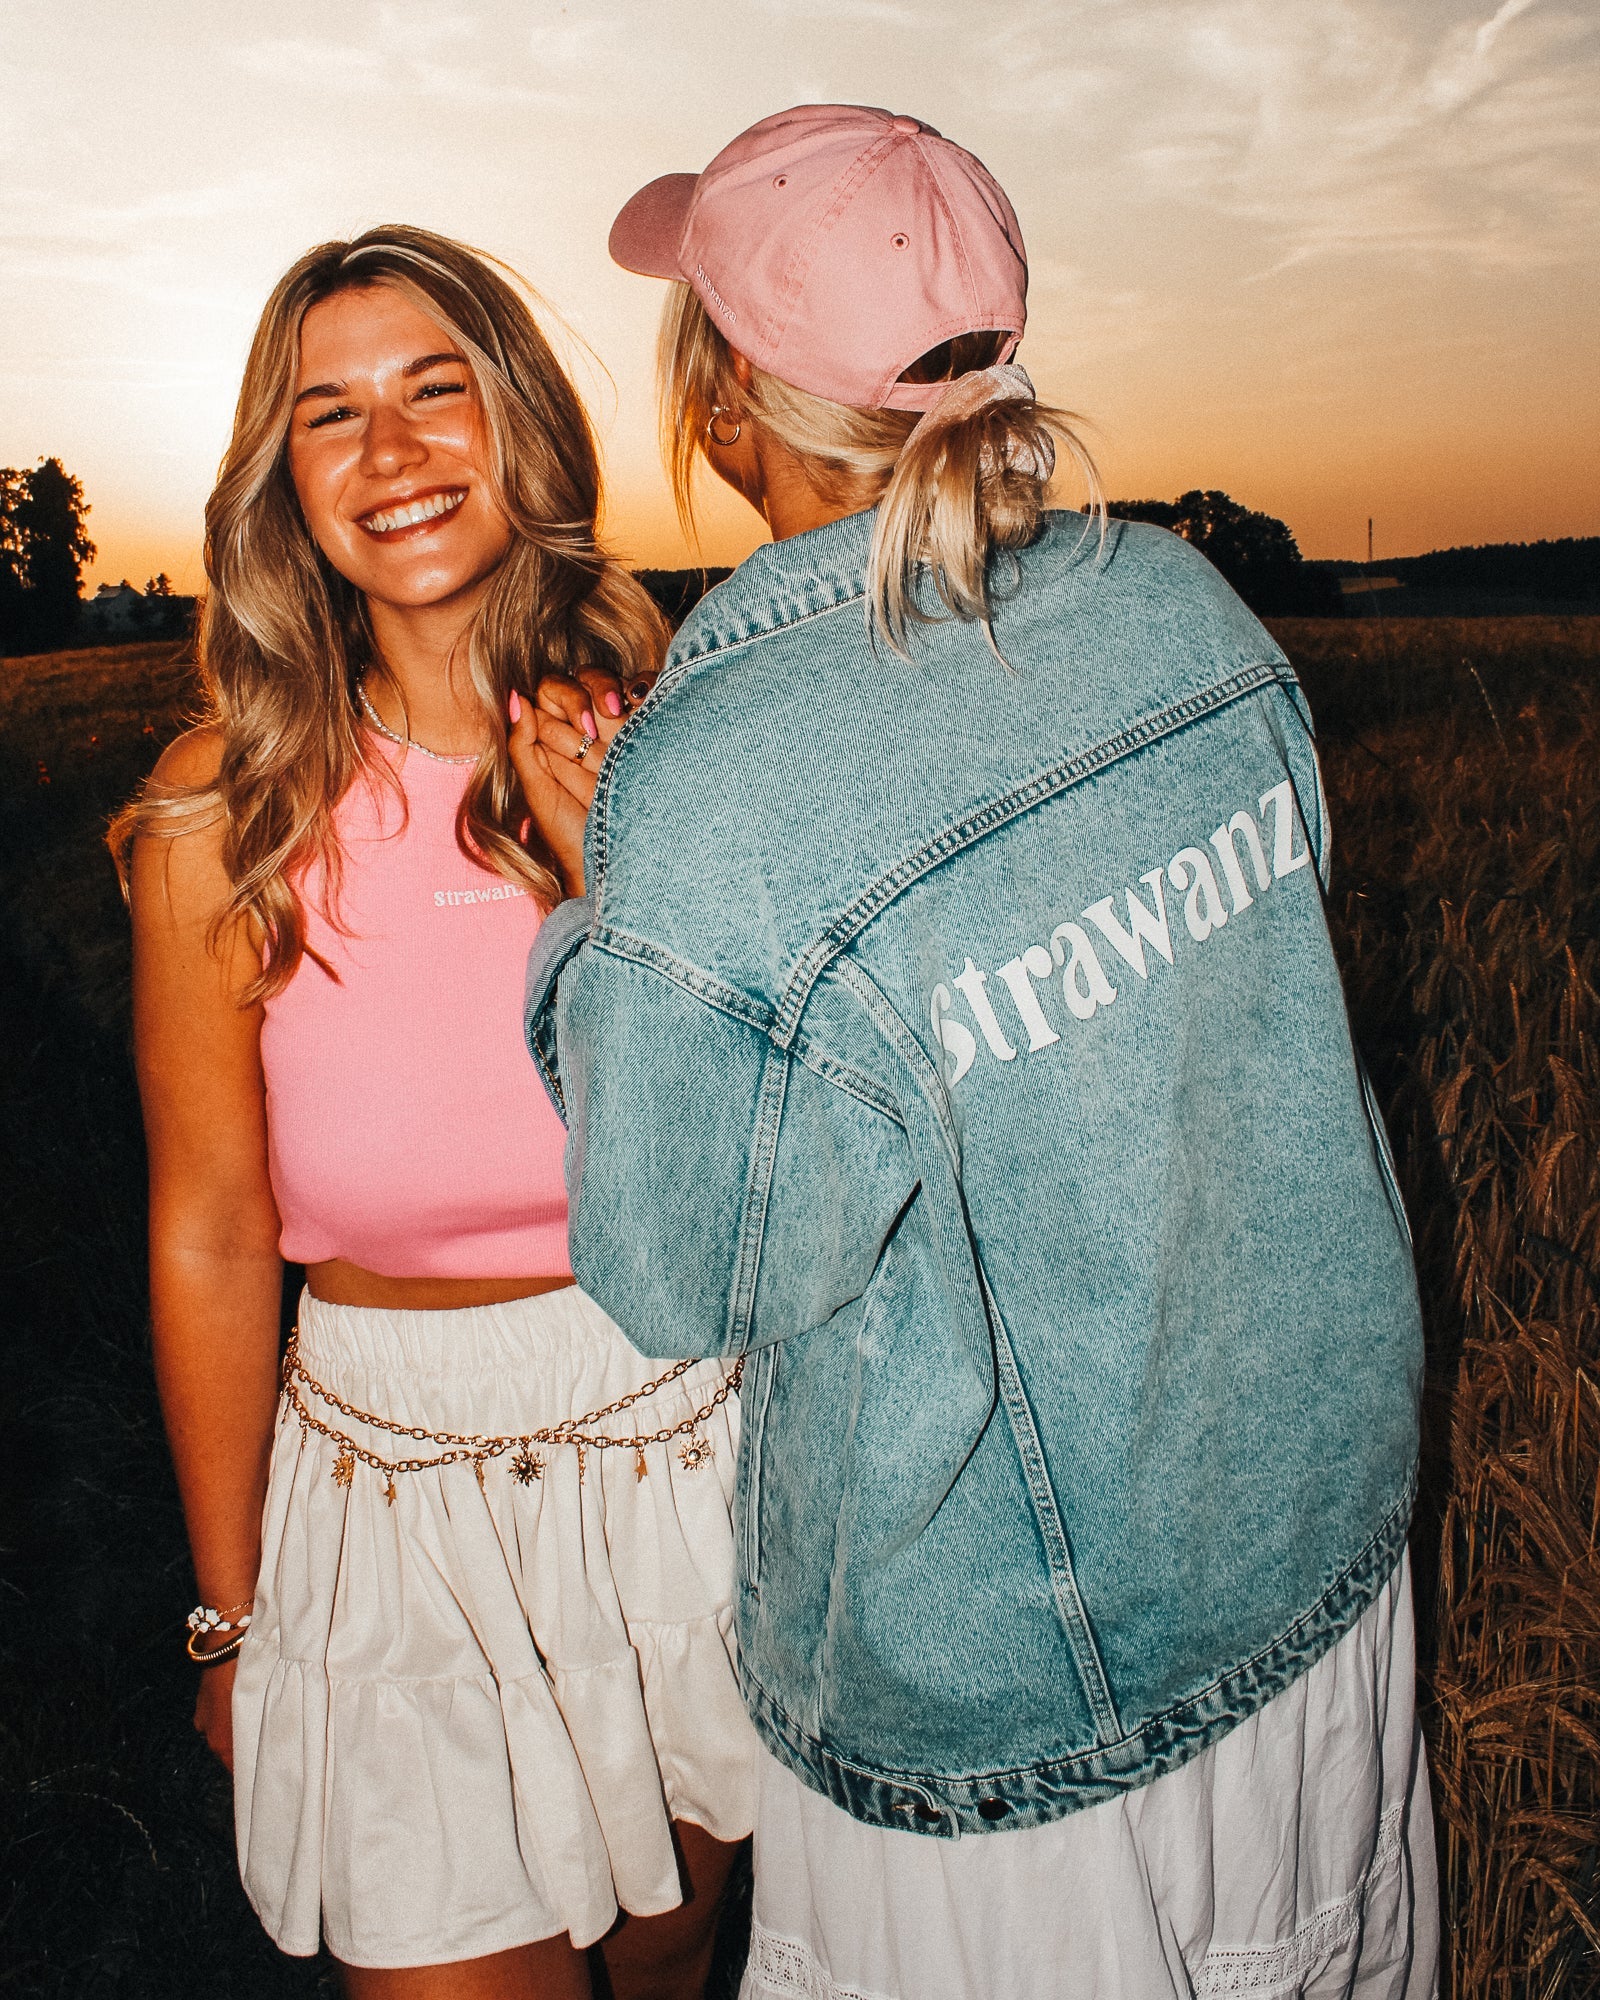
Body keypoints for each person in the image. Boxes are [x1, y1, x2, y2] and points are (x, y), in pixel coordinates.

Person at [513, 106, 1439, 2000]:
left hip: (1020, 1709)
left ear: (726, 399)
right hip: (1326, 1581)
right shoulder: (1189, 612)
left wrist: (593, 913)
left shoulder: (720, 779)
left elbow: (682, 1271)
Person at [113, 225, 755, 1999]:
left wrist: (603, 887)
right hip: (382, 1498)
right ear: (284, 483)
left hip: (675, 1469)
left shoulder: (681, 749)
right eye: (332, 416)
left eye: (433, 391)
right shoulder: (217, 814)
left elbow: (755, 1162)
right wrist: (231, 1609)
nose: (390, 456)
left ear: (520, 425)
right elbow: (213, 1229)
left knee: (666, 1961)